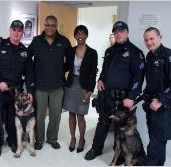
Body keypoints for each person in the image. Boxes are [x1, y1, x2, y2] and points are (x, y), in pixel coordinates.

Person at [84, 21, 145, 162]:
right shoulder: (109, 51)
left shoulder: (135, 52)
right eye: (115, 31)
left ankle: (119, 155)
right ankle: (96, 148)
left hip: (122, 98)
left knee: (120, 129)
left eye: (121, 31)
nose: (118, 34)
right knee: (102, 123)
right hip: (106, 96)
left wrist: (131, 97)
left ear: (127, 32)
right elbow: (105, 71)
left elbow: (138, 77)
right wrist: (100, 80)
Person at [0, 20, 34, 157]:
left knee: (13, 118)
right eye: (14, 30)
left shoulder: (25, 51)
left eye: (19, 30)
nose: (16, 33)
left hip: (15, 92)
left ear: (22, 32)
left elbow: (29, 72)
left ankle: (12, 140)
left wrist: (29, 90)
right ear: (10, 30)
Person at [28, 15, 71, 150]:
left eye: (53, 25)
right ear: (44, 25)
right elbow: (28, 60)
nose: (50, 28)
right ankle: (39, 139)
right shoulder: (36, 41)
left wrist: (60, 70)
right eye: (48, 25)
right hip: (40, 86)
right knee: (39, 116)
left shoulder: (63, 41)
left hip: (57, 86)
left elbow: (69, 61)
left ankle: (52, 138)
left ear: (56, 26)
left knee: (55, 115)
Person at [63, 25, 98, 153]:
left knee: (80, 115)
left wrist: (90, 91)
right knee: (71, 113)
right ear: (75, 36)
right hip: (71, 85)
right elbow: (65, 68)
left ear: (86, 35)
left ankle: (82, 139)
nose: (80, 36)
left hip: (84, 87)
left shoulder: (92, 53)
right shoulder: (70, 51)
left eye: (82, 34)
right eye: (77, 34)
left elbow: (93, 73)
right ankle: (73, 138)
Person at [140, 27, 171, 166]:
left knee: (156, 137)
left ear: (160, 37)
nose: (149, 42)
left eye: (152, 38)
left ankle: (150, 163)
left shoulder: (168, 55)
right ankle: (159, 162)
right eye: (146, 39)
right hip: (150, 103)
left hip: (162, 104)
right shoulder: (149, 56)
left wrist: (161, 100)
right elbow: (152, 82)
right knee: (156, 134)